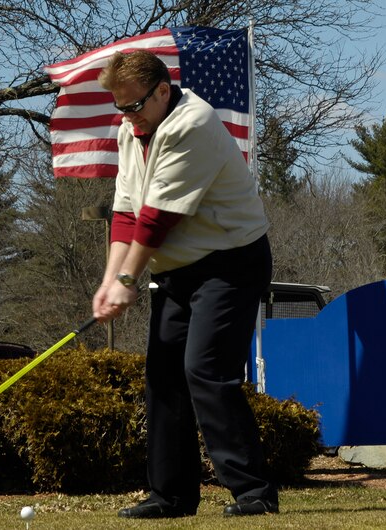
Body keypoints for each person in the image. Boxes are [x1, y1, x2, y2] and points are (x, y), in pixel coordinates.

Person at [91, 50, 278, 518]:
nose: (127, 116)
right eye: (119, 107)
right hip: (178, 269)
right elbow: (126, 211)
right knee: (163, 374)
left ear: (161, 90)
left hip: (230, 262)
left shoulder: (192, 124)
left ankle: (253, 491)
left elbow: (156, 221)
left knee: (206, 369)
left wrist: (129, 280)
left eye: (134, 106)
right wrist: (110, 280)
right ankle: (171, 496)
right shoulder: (131, 130)